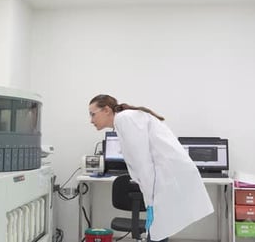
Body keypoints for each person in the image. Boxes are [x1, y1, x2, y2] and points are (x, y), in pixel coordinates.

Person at [88, 94, 214, 242]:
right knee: (159, 229)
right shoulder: (125, 119)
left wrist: (150, 201)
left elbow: (143, 162)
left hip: (167, 174)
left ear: (107, 110)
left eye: (93, 114)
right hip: (166, 175)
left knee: (158, 229)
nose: (91, 120)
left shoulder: (124, 119)